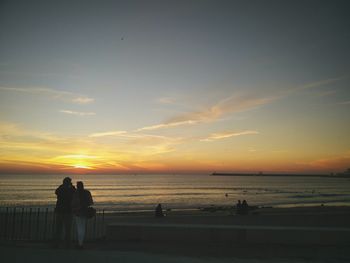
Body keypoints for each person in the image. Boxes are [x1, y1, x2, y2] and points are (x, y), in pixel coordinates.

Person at [54, 177, 76, 248]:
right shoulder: (70, 189)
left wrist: (63, 186)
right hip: (67, 211)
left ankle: (58, 243)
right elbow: (74, 193)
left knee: (59, 228)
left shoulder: (61, 189)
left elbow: (56, 192)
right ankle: (67, 244)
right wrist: (71, 186)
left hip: (61, 210)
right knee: (67, 228)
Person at [71, 181, 93, 249]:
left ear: (77, 186)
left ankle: (80, 244)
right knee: (82, 227)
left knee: (79, 228)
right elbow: (91, 202)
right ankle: (81, 243)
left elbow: (73, 203)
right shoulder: (87, 192)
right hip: (84, 211)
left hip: (78, 212)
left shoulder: (75, 193)